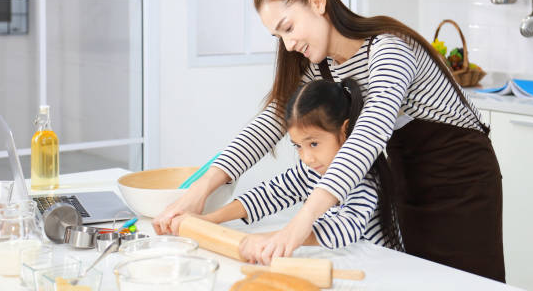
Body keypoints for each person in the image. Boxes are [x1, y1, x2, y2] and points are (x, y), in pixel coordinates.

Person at [153, 0, 504, 282]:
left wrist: (299, 223)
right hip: (408, 176)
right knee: (425, 280)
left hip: (461, 177)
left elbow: (369, 132)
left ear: (318, 1)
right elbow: (264, 128)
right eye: (279, 37)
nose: (289, 45)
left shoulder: (390, 49)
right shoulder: (321, 66)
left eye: (288, 28)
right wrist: (199, 193)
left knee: (469, 282)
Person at [169, 78, 403, 263]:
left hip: (377, 269)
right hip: (339, 262)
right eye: (298, 146)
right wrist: (208, 220)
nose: (306, 157)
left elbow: (343, 230)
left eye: (313, 143)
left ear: (345, 130)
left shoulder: (365, 178)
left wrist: (275, 239)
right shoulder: (311, 169)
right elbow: (268, 194)